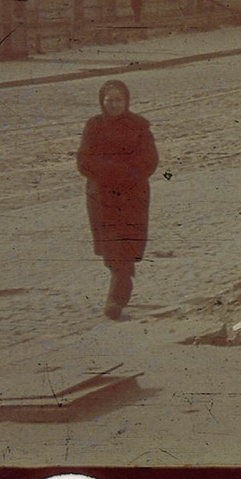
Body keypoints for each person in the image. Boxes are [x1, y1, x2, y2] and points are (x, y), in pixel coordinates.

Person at [77, 79, 159, 319]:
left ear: (127, 101)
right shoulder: (93, 126)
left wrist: (126, 173)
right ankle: (122, 284)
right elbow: (84, 160)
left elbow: (150, 159)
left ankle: (117, 296)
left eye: (118, 100)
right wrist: (108, 172)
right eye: (109, 100)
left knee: (125, 244)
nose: (113, 105)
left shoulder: (139, 126)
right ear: (102, 101)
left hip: (132, 194)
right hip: (102, 196)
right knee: (110, 245)